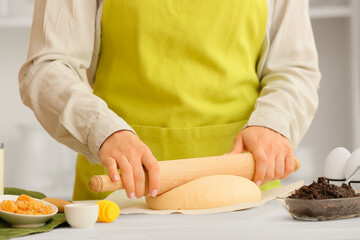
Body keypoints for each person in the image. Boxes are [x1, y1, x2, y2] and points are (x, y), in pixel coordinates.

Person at [19, 0, 320, 201]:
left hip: (247, 192)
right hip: (120, 196)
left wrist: (274, 123)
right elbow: (47, 66)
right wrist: (103, 131)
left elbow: (294, 67)